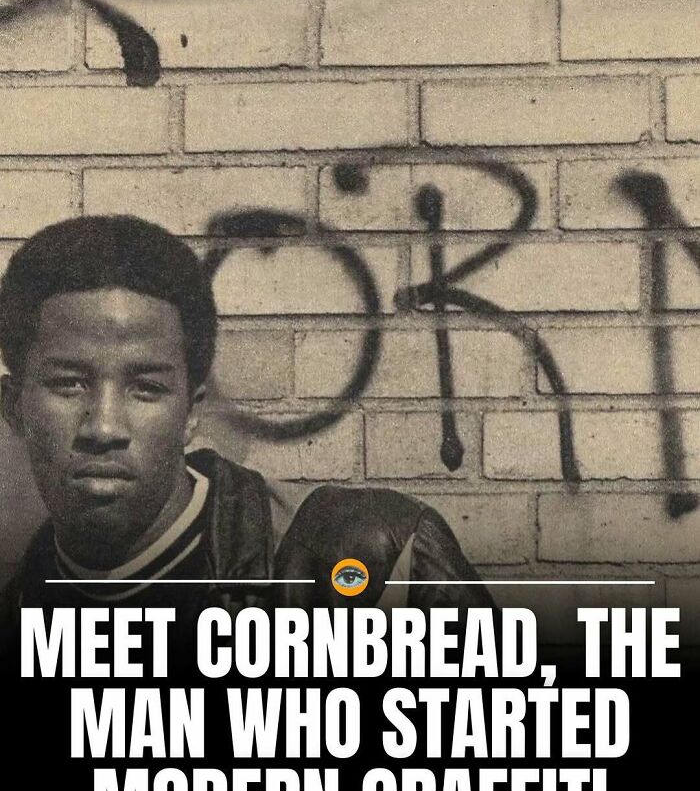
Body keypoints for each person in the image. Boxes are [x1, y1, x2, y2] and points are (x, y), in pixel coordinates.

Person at [0, 215, 493, 633]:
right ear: (13, 407)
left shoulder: (370, 562)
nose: (104, 427)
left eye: (146, 388)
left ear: (192, 412)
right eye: (69, 384)